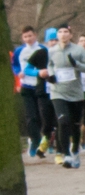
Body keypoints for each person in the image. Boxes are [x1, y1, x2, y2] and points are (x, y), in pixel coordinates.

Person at [40, 29, 85, 167]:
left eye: (66, 32)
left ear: (71, 35)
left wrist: (76, 65)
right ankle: (66, 154)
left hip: (75, 94)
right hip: (58, 92)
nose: (63, 34)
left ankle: (75, 151)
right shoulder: (52, 51)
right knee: (63, 121)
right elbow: (50, 64)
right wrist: (51, 75)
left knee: (75, 125)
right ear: (58, 35)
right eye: (60, 32)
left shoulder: (79, 50)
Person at [12, 27, 54, 159]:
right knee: (31, 117)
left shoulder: (43, 49)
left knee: (42, 116)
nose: (28, 39)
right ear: (22, 38)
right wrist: (17, 72)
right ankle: (34, 141)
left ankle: (45, 141)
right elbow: (14, 64)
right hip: (26, 86)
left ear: (35, 35)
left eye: (30, 36)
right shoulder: (19, 51)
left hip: (40, 86)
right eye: (25, 37)